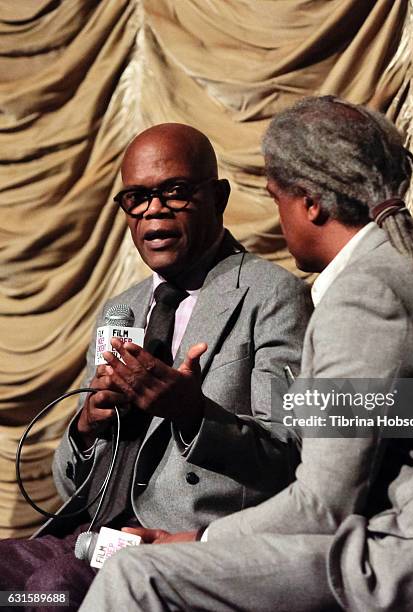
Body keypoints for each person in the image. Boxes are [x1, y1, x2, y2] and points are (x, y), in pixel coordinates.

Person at [80, 97, 413, 612]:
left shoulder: (365, 293)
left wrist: (193, 543)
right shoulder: (410, 261)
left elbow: (320, 505)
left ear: (310, 201)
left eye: (276, 198)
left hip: (407, 556)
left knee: (137, 575)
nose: (277, 218)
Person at [0, 123, 312, 608]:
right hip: (93, 535)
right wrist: (86, 427)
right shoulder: (119, 311)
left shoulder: (271, 296)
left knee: (49, 594)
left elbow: (289, 459)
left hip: (184, 545)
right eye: (137, 198)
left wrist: (193, 414)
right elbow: (67, 486)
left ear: (219, 197)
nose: (154, 210)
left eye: (175, 192)